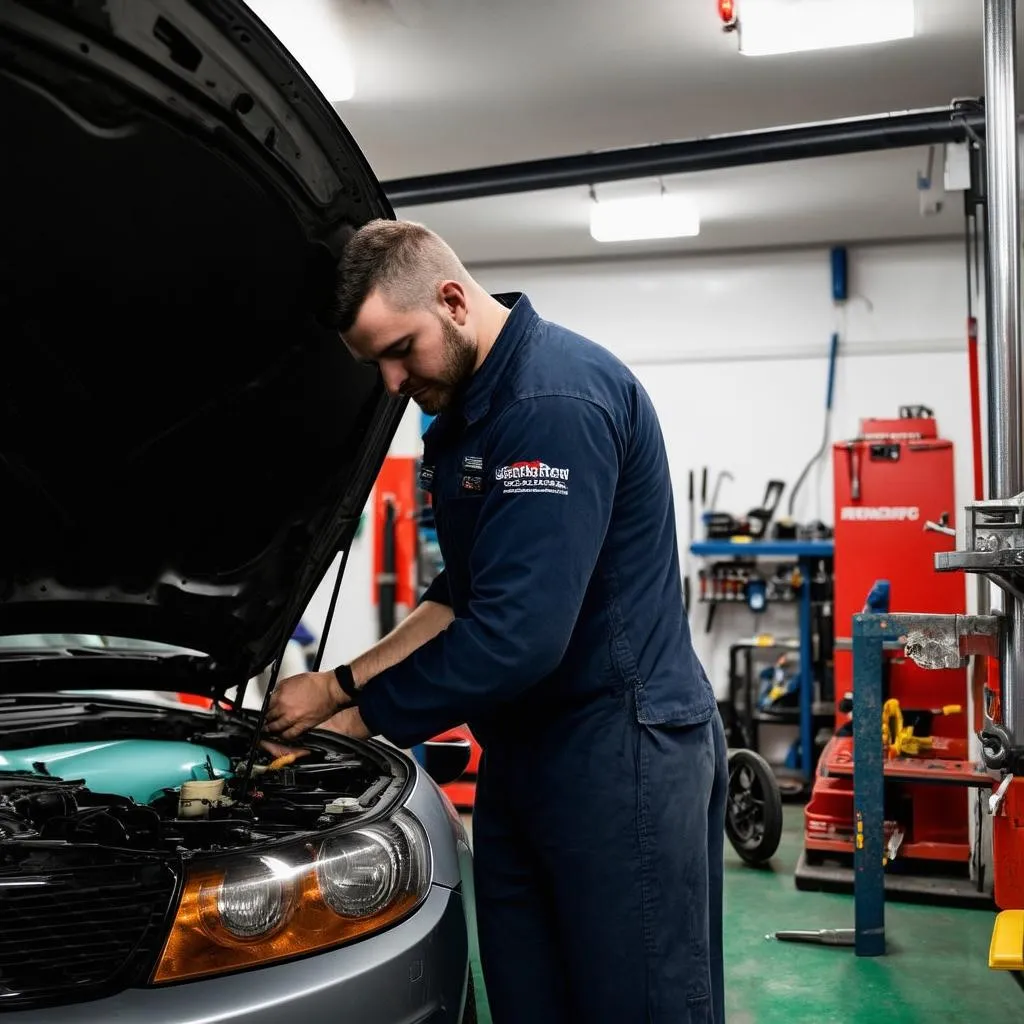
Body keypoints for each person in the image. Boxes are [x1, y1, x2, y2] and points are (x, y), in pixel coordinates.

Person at [266, 220, 728, 1024]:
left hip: (620, 751)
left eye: (399, 349)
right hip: (528, 753)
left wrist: (366, 718)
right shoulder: (468, 418)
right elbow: (462, 595)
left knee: (634, 1005)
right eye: (376, 361)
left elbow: (517, 635)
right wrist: (335, 689)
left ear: (451, 298)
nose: (390, 381)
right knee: (528, 1000)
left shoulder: (553, 403)